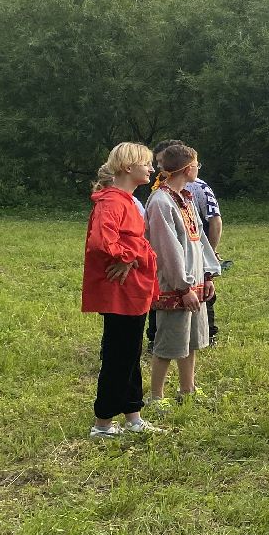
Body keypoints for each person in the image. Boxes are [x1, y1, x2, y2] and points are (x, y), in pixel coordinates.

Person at [82, 142, 161, 437]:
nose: (151, 169)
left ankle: (133, 416)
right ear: (129, 168)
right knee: (118, 357)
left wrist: (131, 254)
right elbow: (102, 242)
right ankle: (102, 423)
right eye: (146, 164)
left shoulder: (126, 200)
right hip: (121, 293)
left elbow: (128, 241)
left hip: (133, 291)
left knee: (131, 353)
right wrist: (128, 257)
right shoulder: (113, 202)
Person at [145, 143, 209, 404]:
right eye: (196, 164)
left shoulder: (186, 197)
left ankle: (187, 389)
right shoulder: (161, 201)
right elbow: (167, 248)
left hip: (193, 281)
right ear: (186, 168)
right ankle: (156, 397)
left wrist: (207, 275)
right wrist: (182, 287)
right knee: (168, 344)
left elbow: (199, 240)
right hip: (175, 285)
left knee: (190, 341)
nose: (198, 169)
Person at [181, 156, 223, 344]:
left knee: (205, 290)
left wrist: (210, 252)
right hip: (176, 250)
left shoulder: (200, 188)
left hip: (198, 249)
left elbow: (215, 220)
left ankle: (209, 333)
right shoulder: (160, 188)